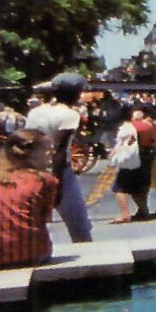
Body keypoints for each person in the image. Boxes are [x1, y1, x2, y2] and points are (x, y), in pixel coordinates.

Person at [22, 73, 94, 244]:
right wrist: (57, 184)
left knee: (35, 221)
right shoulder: (69, 115)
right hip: (60, 172)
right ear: (74, 93)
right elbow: (59, 151)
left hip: (32, 169)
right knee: (80, 227)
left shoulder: (35, 112)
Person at [0, 129, 61, 269]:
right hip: (30, 255)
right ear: (29, 154)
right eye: (47, 149)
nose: (53, 153)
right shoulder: (44, 180)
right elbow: (44, 219)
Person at [110, 107, 156, 223]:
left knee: (120, 187)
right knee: (140, 186)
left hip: (131, 159)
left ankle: (125, 213)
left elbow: (121, 143)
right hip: (145, 157)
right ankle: (143, 211)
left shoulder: (126, 127)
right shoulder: (147, 126)